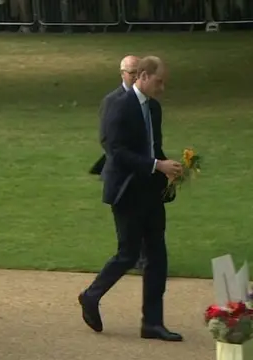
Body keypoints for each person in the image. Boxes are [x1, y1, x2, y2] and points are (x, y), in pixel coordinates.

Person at [79, 56, 184, 342]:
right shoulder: (118, 105)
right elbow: (116, 150)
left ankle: (152, 323)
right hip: (126, 190)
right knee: (128, 253)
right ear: (144, 76)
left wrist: (169, 169)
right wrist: (155, 165)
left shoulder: (154, 109)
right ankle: (91, 296)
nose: (162, 88)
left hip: (150, 190)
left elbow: (154, 147)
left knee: (157, 257)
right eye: (159, 81)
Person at [89, 55, 147, 271]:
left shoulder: (146, 99)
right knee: (128, 219)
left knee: (144, 214)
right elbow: (107, 139)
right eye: (131, 73)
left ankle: (143, 257)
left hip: (143, 166)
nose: (135, 77)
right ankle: (133, 258)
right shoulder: (112, 101)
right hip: (123, 170)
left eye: (139, 73)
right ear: (122, 74)